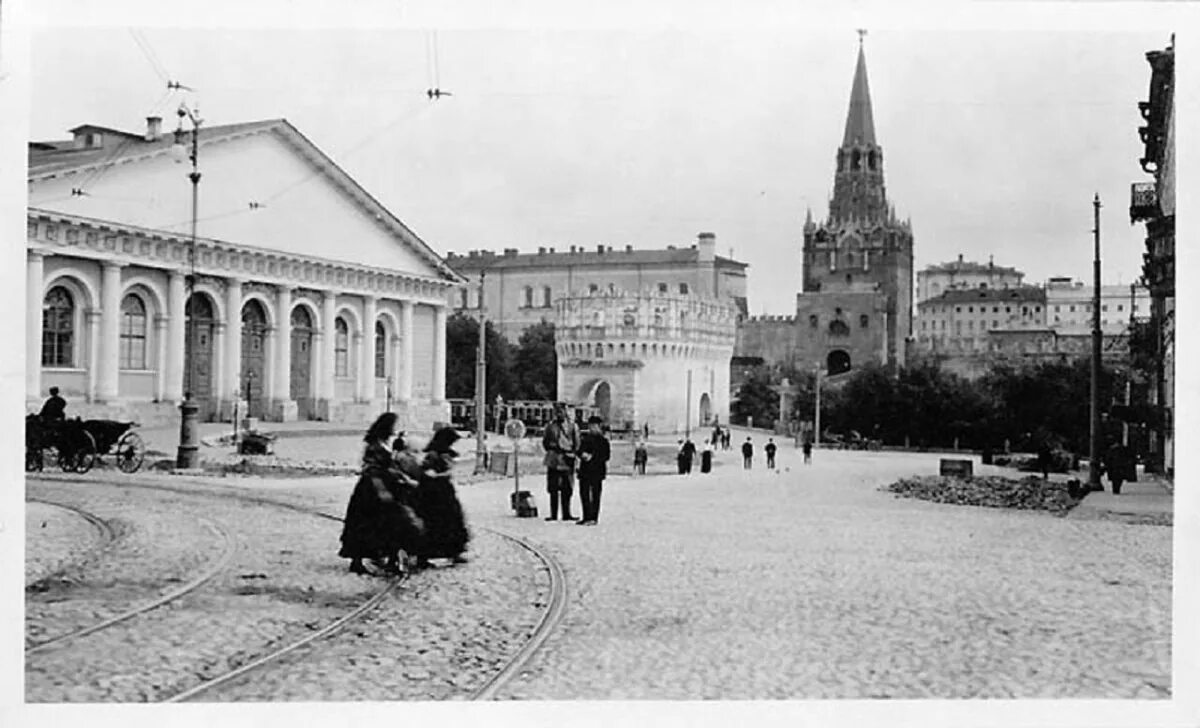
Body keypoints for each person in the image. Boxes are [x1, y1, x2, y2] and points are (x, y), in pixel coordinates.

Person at [339, 413, 424, 576]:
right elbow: (371, 470)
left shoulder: (383, 443)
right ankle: (359, 561)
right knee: (367, 524)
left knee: (391, 524)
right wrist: (383, 490)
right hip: (372, 490)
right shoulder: (374, 445)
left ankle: (393, 559)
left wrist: (401, 477)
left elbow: (387, 467)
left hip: (387, 486)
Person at [413, 426, 471, 566]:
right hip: (434, 492)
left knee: (450, 521)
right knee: (436, 521)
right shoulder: (433, 454)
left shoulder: (443, 453)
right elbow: (426, 471)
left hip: (443, 490)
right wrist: (438, 474)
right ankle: (427, 555)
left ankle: (453, 552)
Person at [542, 403, 581, 521]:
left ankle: (566, 513)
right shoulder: (550, 426)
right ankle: (553, 514)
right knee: (553, 488)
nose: (559, 413)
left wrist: (573, 454)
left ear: (565, 412)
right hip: (553, 459)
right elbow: (545, 442)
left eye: (561, 411)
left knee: (567, 488)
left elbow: (577, 443)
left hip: (567, 459)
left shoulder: (572, 426)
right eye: (557, 411)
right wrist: (552, 448)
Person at [577, 416, 611, 525]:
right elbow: (579, 450)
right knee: (584, 494)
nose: (592, 428)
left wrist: (592, 457)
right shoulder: (585, 438)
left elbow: (606, 456)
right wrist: (582, 454)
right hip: (585, 471)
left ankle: (593, 518)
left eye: (594, 426)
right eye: (590, 426)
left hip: (597, 471)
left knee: (595, 495)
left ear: (599, 427)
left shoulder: (603, 441)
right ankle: (586, 516)